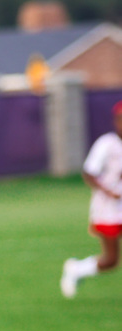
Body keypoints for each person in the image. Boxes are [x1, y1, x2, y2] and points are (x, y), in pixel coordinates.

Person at [60, 100, 122, 298]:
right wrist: (108, 191)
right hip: (109, 209)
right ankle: (76, 269)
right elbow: (89, 172)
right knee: (111, 261)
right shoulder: (107, 144)